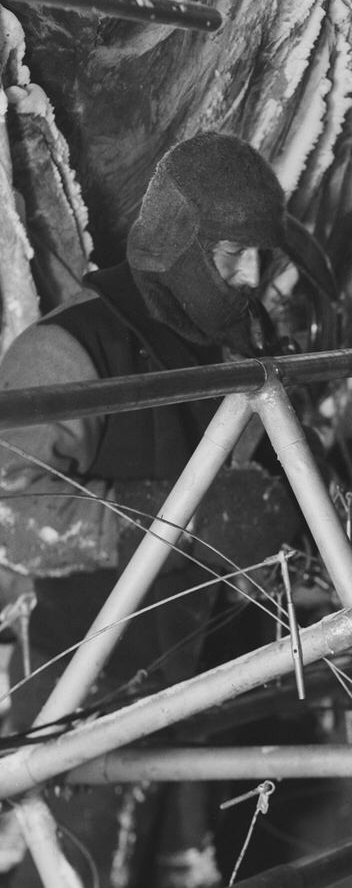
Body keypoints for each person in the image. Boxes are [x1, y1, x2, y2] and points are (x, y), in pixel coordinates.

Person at [0, 131, 303, 887]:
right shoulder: (68, 349)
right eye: (232, 253)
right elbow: (11, 514)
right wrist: (180, 524)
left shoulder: (232, 353)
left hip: (198, 684)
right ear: (177, 241)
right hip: (81, 698)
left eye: (262, 255)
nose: (253, 277)